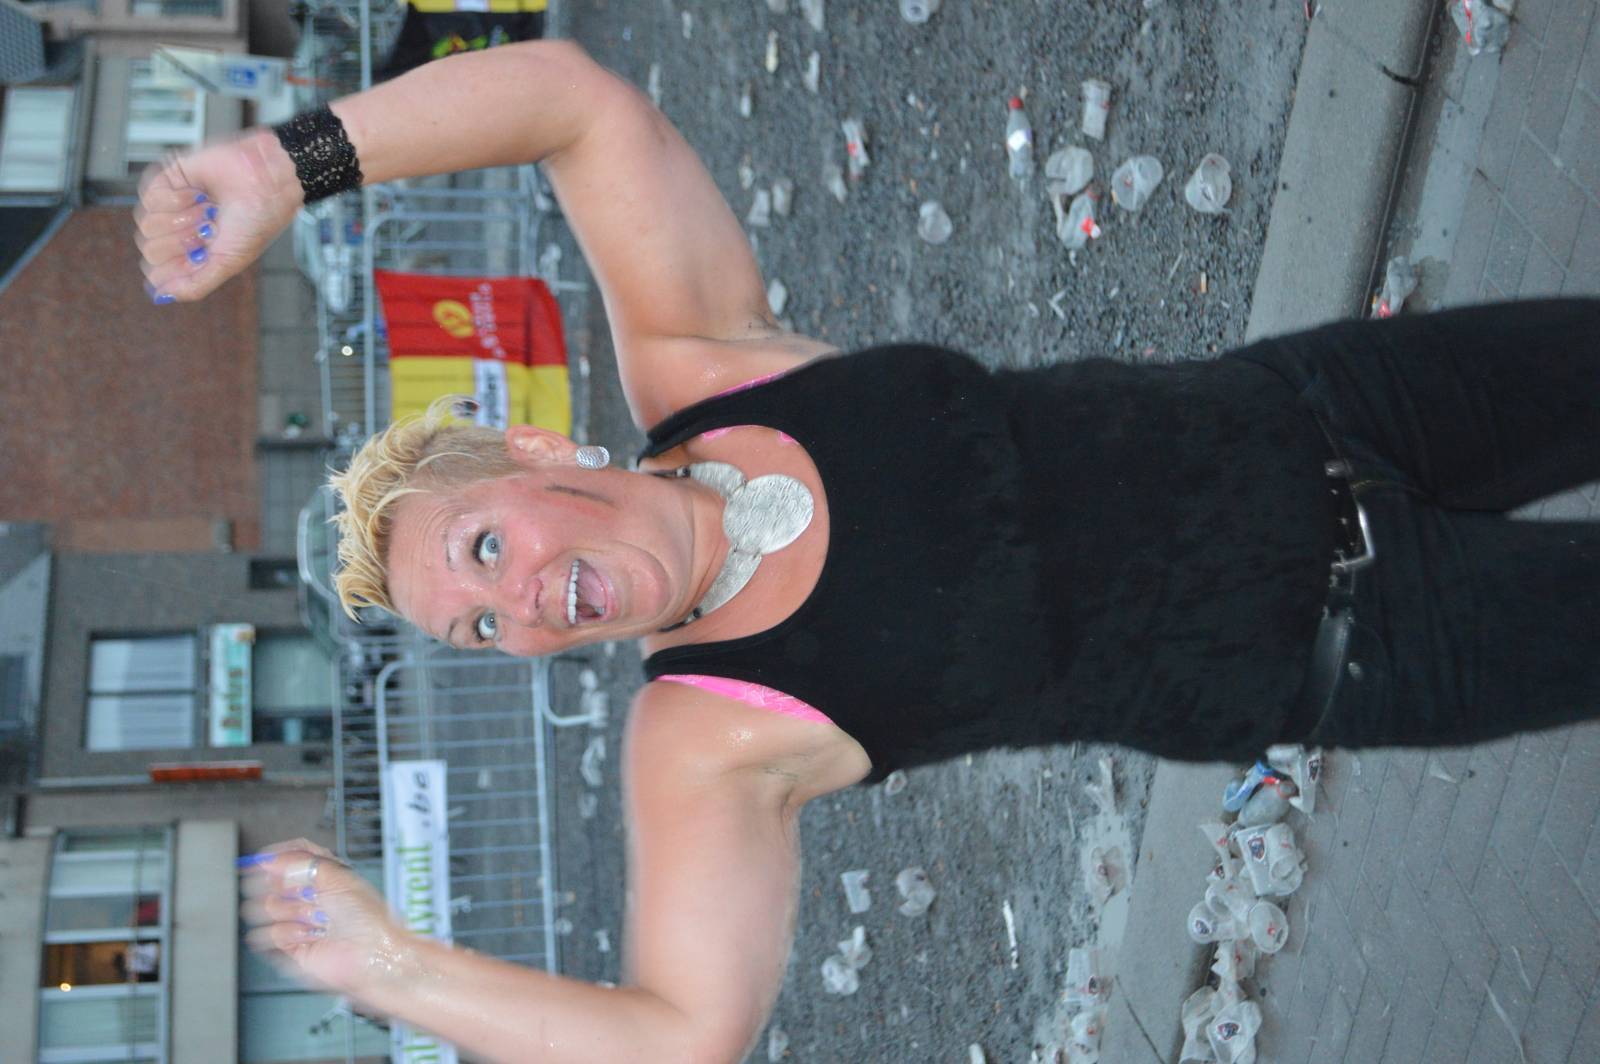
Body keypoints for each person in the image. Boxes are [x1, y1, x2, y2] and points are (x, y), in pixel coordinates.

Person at [135, 39, 1599, 1064]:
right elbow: (678, 1036)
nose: (518, 605)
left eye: (484, 548)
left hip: (1336, 402)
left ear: (534, 454)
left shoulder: (704, 363)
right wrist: (396, 968)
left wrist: (284, 163)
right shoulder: (704, 738)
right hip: (1378, 646)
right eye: (479, 627)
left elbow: (571, 102)